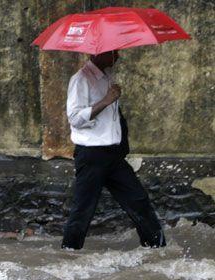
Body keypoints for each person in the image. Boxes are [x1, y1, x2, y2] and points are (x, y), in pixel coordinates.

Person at [61, 50, 166, 250]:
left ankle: (157, 249)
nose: (117, 56)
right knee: (83, 209)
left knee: (138, 199)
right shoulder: (80, 79)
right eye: (112, 53)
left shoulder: (108, 77)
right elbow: (74, 118)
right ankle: (69, 253)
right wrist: (106, 101)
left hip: (113, 155)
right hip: (92, 155)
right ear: (98, 53)